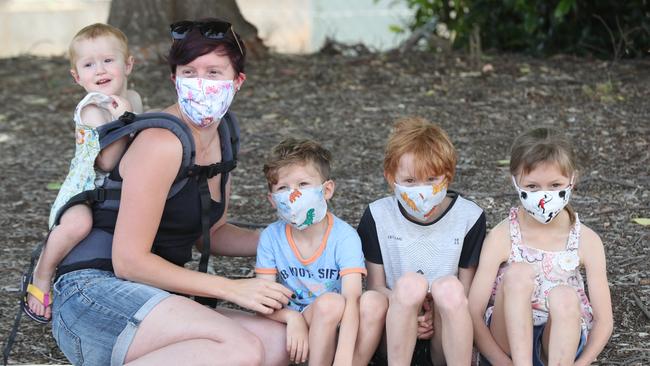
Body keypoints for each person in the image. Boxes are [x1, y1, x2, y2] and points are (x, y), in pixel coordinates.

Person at [50, 19, 295, 365]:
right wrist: (232, 288)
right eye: (190, 72)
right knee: (240, 349)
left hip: (153, 294)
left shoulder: (224, 135)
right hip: (93, 293)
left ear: (237, 81)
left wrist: (290, 238)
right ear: (174, 79)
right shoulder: (161, 142)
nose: (201, 83)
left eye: (214, 73)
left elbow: (213, 233)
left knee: (278, 343)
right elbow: (129, 262)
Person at [24, 23, 143, 323]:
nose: (99, 69)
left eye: (108, 60)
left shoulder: (135, 100)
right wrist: (125, 120)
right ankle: (42, 272)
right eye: (89, 64)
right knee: (79, 224)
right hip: (84, 190)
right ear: (78, 77)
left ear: (128, 64)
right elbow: (105, 162)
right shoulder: (92, 110)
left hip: (116, 189)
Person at [468, 127, 613, 366]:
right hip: (507, 342)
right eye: (533, 186)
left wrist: (582, 363)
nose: (544, 195)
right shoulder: (502, 236)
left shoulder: (587, 241)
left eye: (555, 185)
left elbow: (604, 321)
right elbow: (473, 312)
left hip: (559, 341)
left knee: (566, 296)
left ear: (572, 180)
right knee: (518, 273)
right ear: (515, 181)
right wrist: (502, 362)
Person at [357, 117, 486, 365]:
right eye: (409, 181)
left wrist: (432, 313)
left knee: (448, 288)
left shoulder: (469, 217)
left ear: (447, 176)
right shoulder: (377, 215)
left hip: (445, 332)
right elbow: (375, 286)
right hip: (395, 327)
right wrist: (412, 313)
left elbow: (465, 291)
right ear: (390, 177)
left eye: (431, 180)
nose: (421, 190)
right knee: (409, 285)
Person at [255, 138, 387, 365]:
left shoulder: (344, 237)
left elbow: (352, 299)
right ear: (273, 200)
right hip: (295, 329)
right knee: (330, 303)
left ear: (327, 190)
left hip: (342, 326)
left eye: (303, 184)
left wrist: (344, 356)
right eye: (283, 188)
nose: (293, 194)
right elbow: (262, 301)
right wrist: (292, 317)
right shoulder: (270, 237)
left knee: (374, 301)